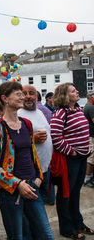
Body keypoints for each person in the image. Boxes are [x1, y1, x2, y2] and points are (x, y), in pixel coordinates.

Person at [0, 82, 54, 240]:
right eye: (18, 94)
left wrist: (38, 177)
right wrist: (17, 184)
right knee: (19, 236)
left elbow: (32, 154)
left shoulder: (26, 124)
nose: (23, 97)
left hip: (32, 186)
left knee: (46, 234)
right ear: (5, 98)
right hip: (11, 192)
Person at [50, 82, 94, 240]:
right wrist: (71, 152)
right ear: (66, 95)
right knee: (65, 194)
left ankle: (78, 223)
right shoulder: (61, 113)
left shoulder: (78, 110)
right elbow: (55, 136)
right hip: (70, 160)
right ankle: (66, 228)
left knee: (75, 192)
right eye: (73, 91)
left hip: (82, 158)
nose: (77, 92)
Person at [18, 85, 55, 205]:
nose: (28, 96)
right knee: (34, 209)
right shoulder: (18, 114)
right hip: (31, 171)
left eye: (31, 93)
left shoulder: (39, 112)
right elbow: (13, 142)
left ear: (37, 96)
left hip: (45, 168)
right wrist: (32, 139)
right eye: (24, 93)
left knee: (48, 202)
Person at [83, 91, 94, 187]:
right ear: (91, 97)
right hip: (91, 136)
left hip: (89, 135)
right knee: (91, 157)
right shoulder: (91, 107)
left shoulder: (86, 106)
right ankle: (87, 179)